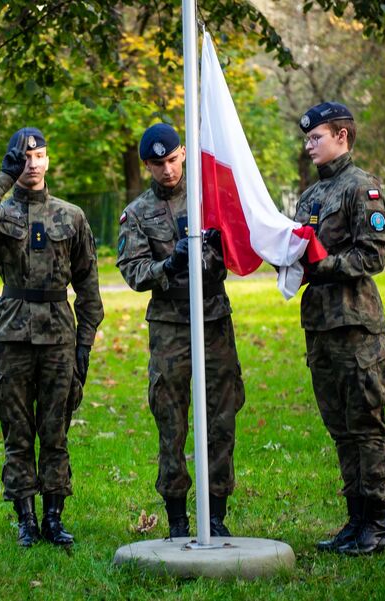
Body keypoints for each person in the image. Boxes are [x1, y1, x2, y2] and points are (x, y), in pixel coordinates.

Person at [0, 127, 103, 548]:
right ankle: (26, 520)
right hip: (13, 339)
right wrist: (3, 179)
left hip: (59, 339)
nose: (33, 164)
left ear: (48, 160)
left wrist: (84, 347)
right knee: (16, 433)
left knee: (55, 431)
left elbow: (89, 290)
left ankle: (54, 519)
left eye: (39, 156)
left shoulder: (70, 216)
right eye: (25, 158)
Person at [116, 123, 245, 539]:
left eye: (172, 160)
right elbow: (133, 271)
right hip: (170, 327)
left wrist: (209, 255)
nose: (167, 170)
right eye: (157, 164)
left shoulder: (210, 198)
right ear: (147, 166)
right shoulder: (137, 213)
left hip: (213, 320)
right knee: (170, 421)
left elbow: (236, 246)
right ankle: (176, 517)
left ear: (184, 153)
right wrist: (168, 266)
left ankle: (217, 514)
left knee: (222, 418)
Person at [293, 102, 385, 556]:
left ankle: (376, 526)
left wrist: (324, 264)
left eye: (316, 137)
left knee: (365, 426)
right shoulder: (310, 197)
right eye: (307, 139)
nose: (308, 145)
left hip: (356, 328)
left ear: (342, 136)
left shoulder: (362, 188)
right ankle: (354, 522)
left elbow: (372, 255)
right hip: (320, 327)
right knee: (340, 428)